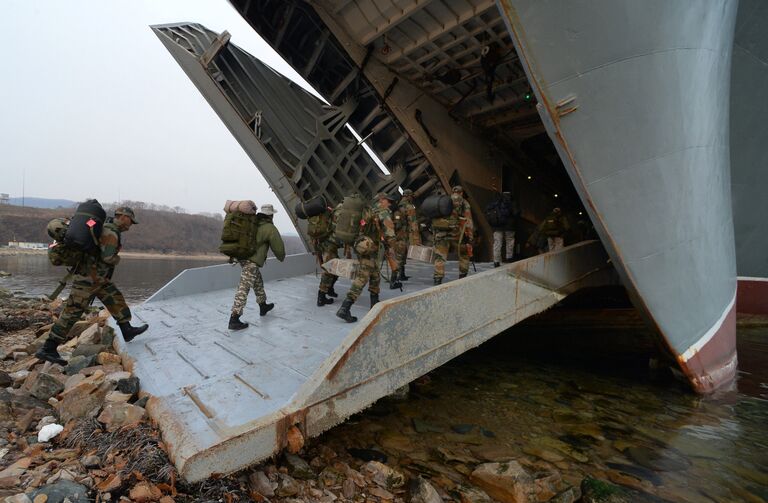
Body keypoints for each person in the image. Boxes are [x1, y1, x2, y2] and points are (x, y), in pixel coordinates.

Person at [35, 207, 148, 365]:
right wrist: (117, 259)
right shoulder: (111, 231)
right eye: (130, 220)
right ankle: (48, 348)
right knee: (71, 313)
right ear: (123, 217)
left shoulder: (106, 228)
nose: (130, 225)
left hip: (97, 279)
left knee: (115, 298)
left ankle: (126, 329)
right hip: (88, 280)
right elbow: (108, 257)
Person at [336, 192, 399, 323]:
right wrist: (392, 248)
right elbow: (390, 233)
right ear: (382, 200)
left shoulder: (368, 210)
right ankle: (345, 308)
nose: (390, 203)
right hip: (370, 249)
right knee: (362, 277)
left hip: (363, 246)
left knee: (375, 274)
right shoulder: (383, 212)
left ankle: (374, 303)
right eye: (389, 201)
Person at [228, 204, 286, 330]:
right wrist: (281, 257)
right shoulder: (269, 228)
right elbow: (278, 248)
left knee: (257, 281)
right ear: (271, 215)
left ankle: (263, 305)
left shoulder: (252, 223)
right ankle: (234, 318)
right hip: (251, 261)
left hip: (242, 258)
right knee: (244, 287)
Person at [432, 186, 473, 285]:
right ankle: (462, 277)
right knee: (464, 255)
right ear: (462, 193)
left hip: (441, 234)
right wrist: (470, 237)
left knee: (439, 257)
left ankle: (437, 279)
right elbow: (468, 221)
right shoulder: (464, 203)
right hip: (458, 234)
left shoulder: (444, 200)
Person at [392, 189, 420, 283]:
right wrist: (417, 240)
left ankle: (402, 275)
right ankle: (394, 278)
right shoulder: (409, 207)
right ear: (409, 196)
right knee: (400, 256)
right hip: (403, 234)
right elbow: (413, 224)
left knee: (400, 254)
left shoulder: (397, 205)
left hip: (395, 234)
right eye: (411, 196)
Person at [315, 204, 340, 307]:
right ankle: (321, 297)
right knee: (328, 271)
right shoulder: (332, 216)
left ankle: (329, 289)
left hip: (325, 246)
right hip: (329, 247)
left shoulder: (323, 217)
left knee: (335, 269)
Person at [485, 190, 517, 267]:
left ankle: (496, 261)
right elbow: (516, 213)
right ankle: (509, 258)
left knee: (497, 243)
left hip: (497, 226)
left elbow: (488, 210)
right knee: (509, 242)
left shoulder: (497, 201)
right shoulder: (513, 202)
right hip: (510, 226)